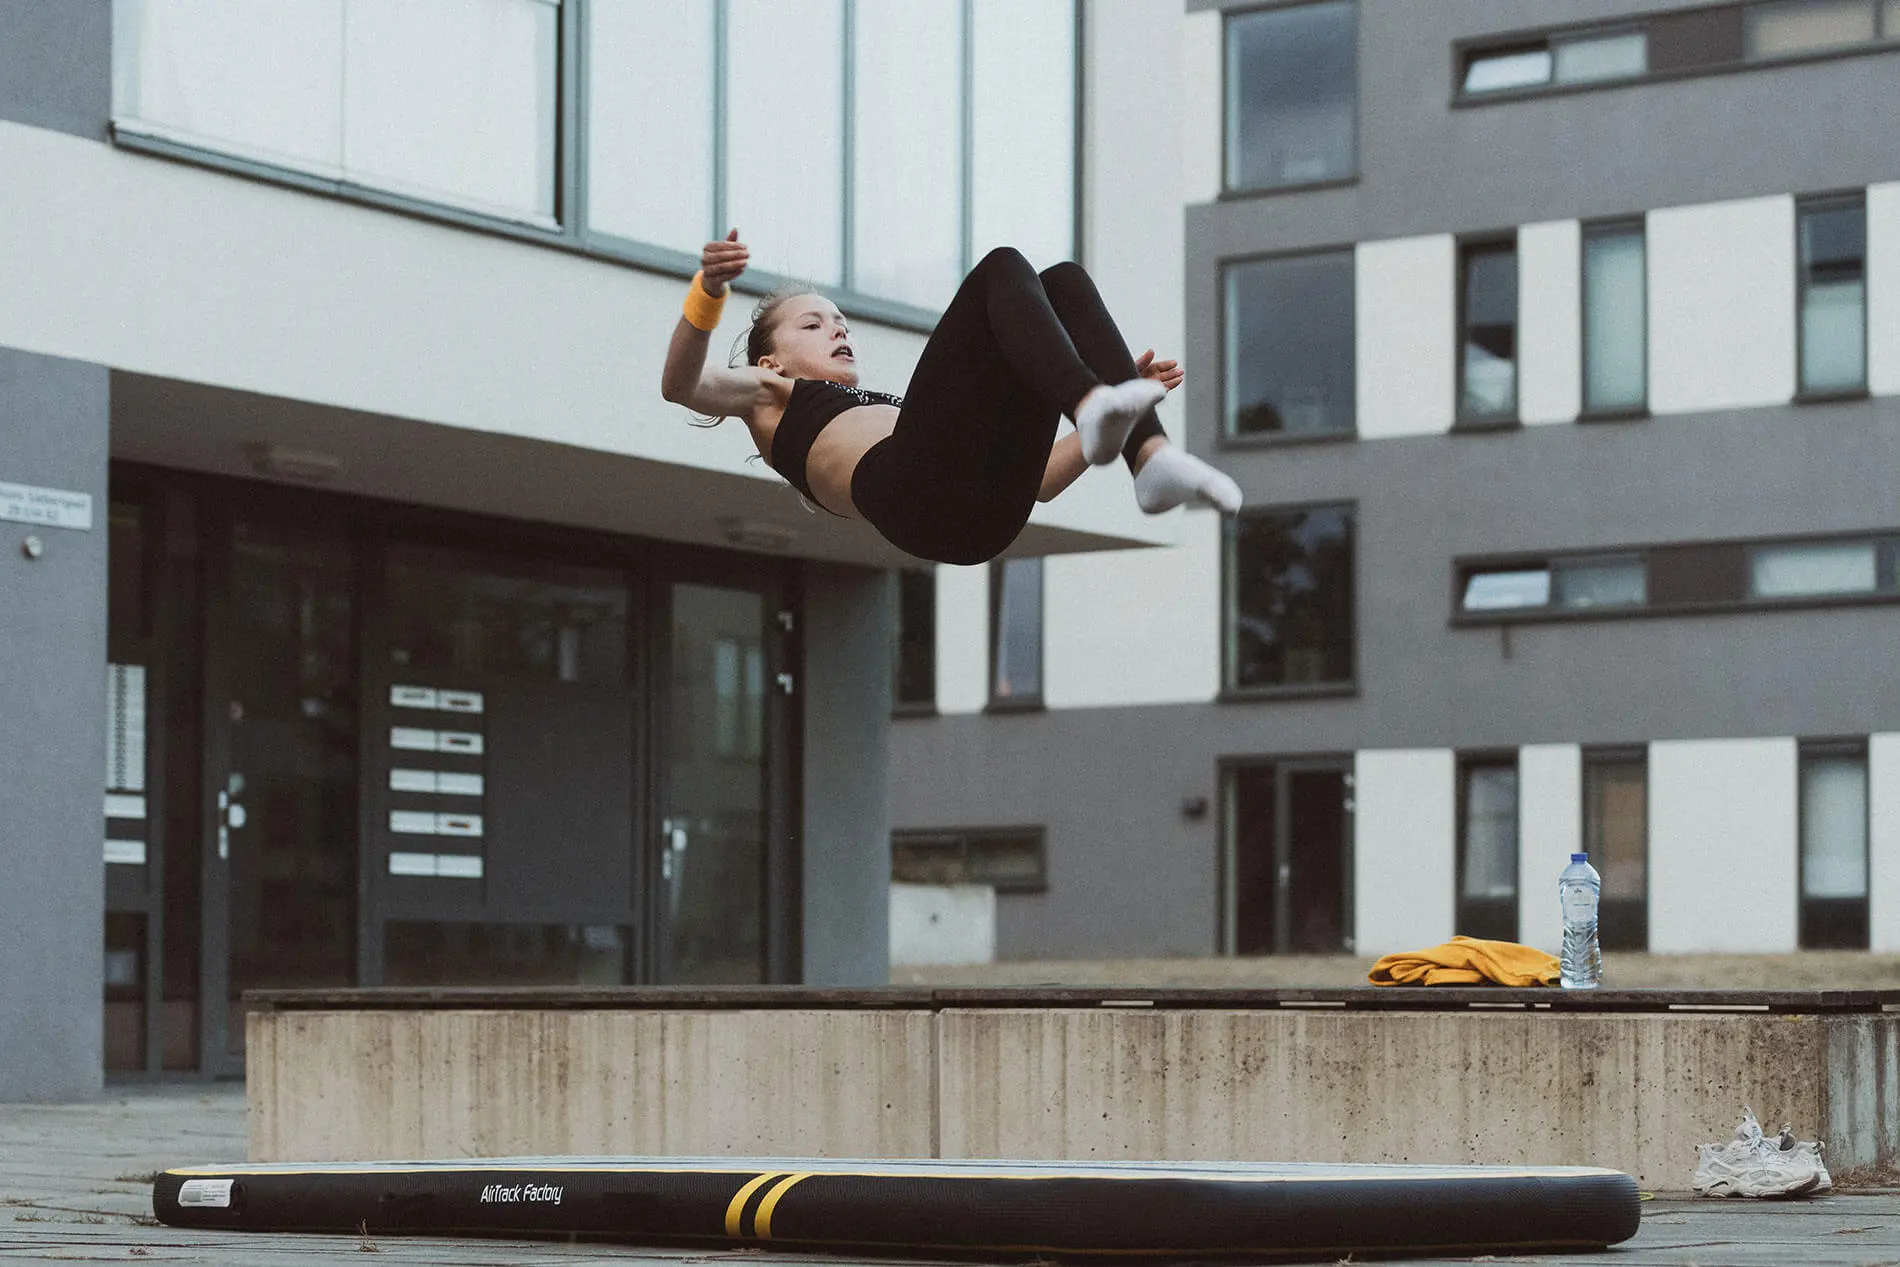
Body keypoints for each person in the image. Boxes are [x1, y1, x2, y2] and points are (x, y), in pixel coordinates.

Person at [660, 231, 1242, 566]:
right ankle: (1091, 400)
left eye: (840, 323)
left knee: (1062, 281)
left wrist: (1122, 396)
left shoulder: (880, 404)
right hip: (914, 498)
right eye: (813, 326)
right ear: (771, 360)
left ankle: (1148, 456)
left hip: (987, 518)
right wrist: (707, 293)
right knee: (1003, 268)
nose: (837, 330)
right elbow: (682, 386)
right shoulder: (771, 395)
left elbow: (1036, 481)